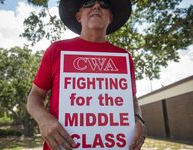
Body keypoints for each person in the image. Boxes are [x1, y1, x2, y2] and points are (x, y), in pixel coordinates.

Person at [27, 0, 147, 150]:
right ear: (79, 16)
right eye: (89, 2)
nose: (96, 6)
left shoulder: (124, 57)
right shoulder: (56, 50)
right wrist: (43, 118)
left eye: (104, 4)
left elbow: (132, 100)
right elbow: (35, 96)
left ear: (110, 18)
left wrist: (138, 118)